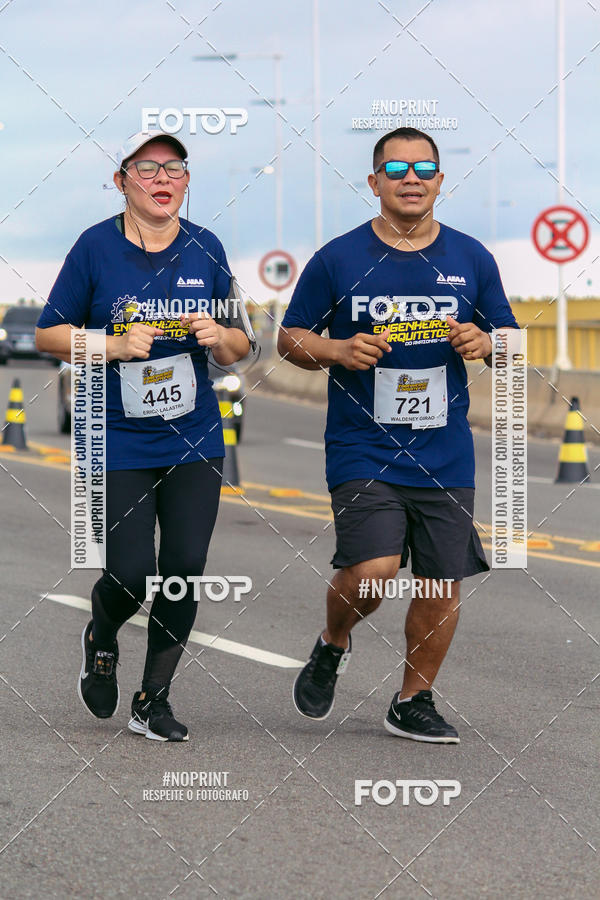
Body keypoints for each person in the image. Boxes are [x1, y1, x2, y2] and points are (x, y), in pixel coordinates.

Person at [278, 127, 518, 743]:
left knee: (440, 584)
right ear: (374, 181)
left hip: (444, 451)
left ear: (440, 180)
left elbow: (512, 345)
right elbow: (290, 338)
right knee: (373, 569)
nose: (411, 178)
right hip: (364, 446)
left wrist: (488, 342)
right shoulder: (339, 258)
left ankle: (413, 700)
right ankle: (334, 640)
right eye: (396, 168)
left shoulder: (471, 258)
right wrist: (337, 349)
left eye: (424, 168)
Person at [36, 130, 250, 742]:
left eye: (174, 167)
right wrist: (111, 344)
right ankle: (102, 635)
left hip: (194, 438)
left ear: (187, 181)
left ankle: (153, 699)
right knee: (131, 574)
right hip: (115, 437)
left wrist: (219, 337)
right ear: (122, 181)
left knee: (183, 569)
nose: (162, 178)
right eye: (147, 168)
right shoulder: (95, 247)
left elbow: (240, 345)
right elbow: (49, 335)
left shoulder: (206, 248)